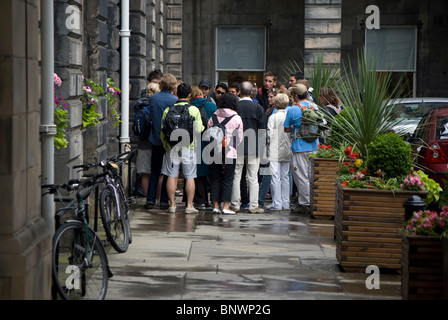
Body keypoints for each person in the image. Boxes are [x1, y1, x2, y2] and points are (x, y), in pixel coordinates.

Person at [161, 82, 205, 214]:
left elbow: (162, 130)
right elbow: (199, 129)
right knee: (190, 176)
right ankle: (189, 206)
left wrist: (166, 146)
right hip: (188, 147)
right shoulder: (193, 110)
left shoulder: (168, 110)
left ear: (175, 93)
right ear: (190, 95)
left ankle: (172, 205)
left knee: (171, 176)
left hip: (172, 147)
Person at [231, 81, 266, 214]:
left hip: (237, 146)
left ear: (239, 91)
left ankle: (235, 204)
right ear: (251, 92)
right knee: (253, 178)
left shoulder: (235, 106)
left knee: (236, 176)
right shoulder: (258, 108)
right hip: (254, 147)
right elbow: (262, 131)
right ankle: (253, 205)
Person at [284, 83, 319, 213]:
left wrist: (295, 127)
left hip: (299, 147)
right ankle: (313, 201)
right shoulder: (315, 106)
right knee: (311, 176)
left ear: (296, 95)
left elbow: (286, 128)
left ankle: (305, 204)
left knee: (301, 176)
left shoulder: (293, 109)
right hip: (314, 146)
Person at [144, 73, 178, 210]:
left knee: (155, 171)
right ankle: (164, 200)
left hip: (156, 138)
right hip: (170, 139)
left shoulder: (153, 99)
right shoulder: (175, 99)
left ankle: (150, 199)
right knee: (167, 171)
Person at [207, 93, 244, 215]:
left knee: (215, 179)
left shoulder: (213, 117)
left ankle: (215, 206)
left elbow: (208, 134)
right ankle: (226, 206)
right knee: (228, 179)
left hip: (214, 152)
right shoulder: (236, 118)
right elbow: (239, 138)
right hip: (229, 153)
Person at [189, 86, 217, 210]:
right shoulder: (211, 106)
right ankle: (213, 200)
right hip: (211, 141)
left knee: (198, 173)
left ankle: (200, 200)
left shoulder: (189, 107)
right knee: (213, 172)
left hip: (195, 141)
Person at [266, 93, 292, 210]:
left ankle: (277, 203)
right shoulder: (289, 116)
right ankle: (286, 203)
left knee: (275, 176)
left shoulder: (273, 117)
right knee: (285, 177)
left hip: (275, 149)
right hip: (287, 148)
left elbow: (269, 135)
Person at [134, 82, 160, 198]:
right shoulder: (156, 105)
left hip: (143, 143)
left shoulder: (140, 106)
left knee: (145, 173)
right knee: (158, 173)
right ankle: (157, 198)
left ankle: (147, 198)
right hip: (155, 143)